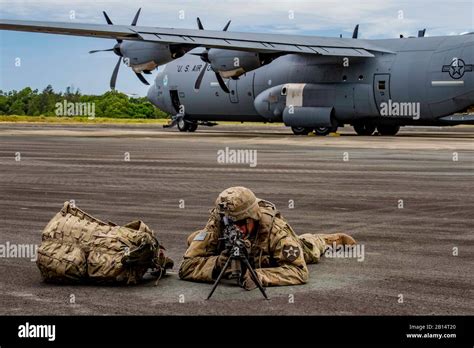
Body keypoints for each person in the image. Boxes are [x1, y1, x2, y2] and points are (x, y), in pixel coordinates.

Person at [178, 186, 356, 290]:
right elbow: (185, 268)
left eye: (239, 223)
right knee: (195, 239)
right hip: (228, 253)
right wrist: (218, 264)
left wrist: (261, 276)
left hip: (268, 256)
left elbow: (299, 272)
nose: (233, 228)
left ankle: (325, 240)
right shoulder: (218, 224)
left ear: (252, 218)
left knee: (307, 249)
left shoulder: (276, 232)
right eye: (228, 222)